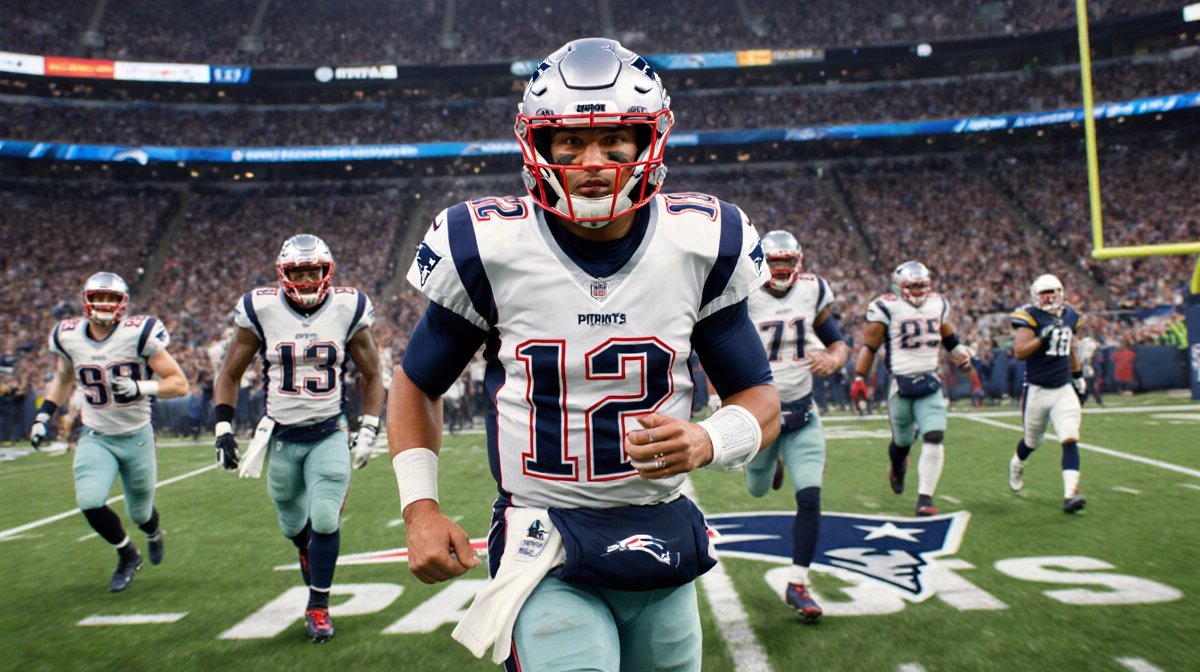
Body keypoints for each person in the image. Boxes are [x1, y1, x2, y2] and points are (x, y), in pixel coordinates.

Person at [388, 38, 780, 672]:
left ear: (648, 141)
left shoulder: (702, 241)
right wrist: (420, 507)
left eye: (613, 139)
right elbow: (415, 383)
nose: (590, 160)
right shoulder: (487, 245)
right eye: (568, 140)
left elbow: (760, 396)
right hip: (544, 542)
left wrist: (709, 439)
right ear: (537, 144)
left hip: (662, 538)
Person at [213, 234, 384, 642]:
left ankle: (319, 606)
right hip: (282, 438)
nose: (307, 279)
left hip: (328, 431)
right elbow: (229, 374)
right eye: (298, 272)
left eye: (314, 271)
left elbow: (374, 374)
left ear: (327, 273)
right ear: (283, 274)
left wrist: (370, 428)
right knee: (293, 523)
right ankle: (310, 558)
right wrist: (222, 428)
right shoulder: (260, 309)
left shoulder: (348, 307)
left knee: (325, 518)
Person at [30, 272, 188, 591]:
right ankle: (127, 554)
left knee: (141, 512)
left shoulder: (139, 334)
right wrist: (43, 415)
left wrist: (141, 385)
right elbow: (62, 378)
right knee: (89, 500)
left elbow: (180, 382)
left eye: (111, 298)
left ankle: (154, 534)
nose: (104, 304)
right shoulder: (68, 335)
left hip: (137, 435)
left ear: (123, 303)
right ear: (86, 301)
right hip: (96, 435)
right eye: (99, 297)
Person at [740, 230, 848, 622]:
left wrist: (834, 360)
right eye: (774, 263)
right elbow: (718, 348)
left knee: (810, 498)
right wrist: (722, 400)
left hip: (803, 412)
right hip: (763, 413)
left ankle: (798, 582)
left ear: (798, 261)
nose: (781, 270)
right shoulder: (744, 291)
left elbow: (836, 340)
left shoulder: (813, 289)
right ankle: (774, 464)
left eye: (787, 262)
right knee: (755, 489)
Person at [853, 261, 977, 516]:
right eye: (913, 286)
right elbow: (870, 346)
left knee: (934, 434)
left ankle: (925, 498)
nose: (919, 291)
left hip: (930, 381)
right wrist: (858, 378)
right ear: (900, 287)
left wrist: (960, 354)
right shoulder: (886, 306)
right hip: (900, 385)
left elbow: (949, 337)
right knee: (903, 441)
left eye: (922, 286)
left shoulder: (938, 304)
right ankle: (897, 465)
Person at [1008, 274, 1088, 514]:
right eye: (1045, 294)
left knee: (1070, 436)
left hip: (1063, 388)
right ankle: (1017, 463)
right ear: (1036, 296)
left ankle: (1070, 495)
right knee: (1033, 441)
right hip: (1038, 390)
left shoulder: (1071, 315)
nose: (1050, 297)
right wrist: (1042, 337)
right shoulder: (1028, 316)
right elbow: (1020, 352)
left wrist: (1078, 376)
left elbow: (1071, 348)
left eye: (1054, 292)